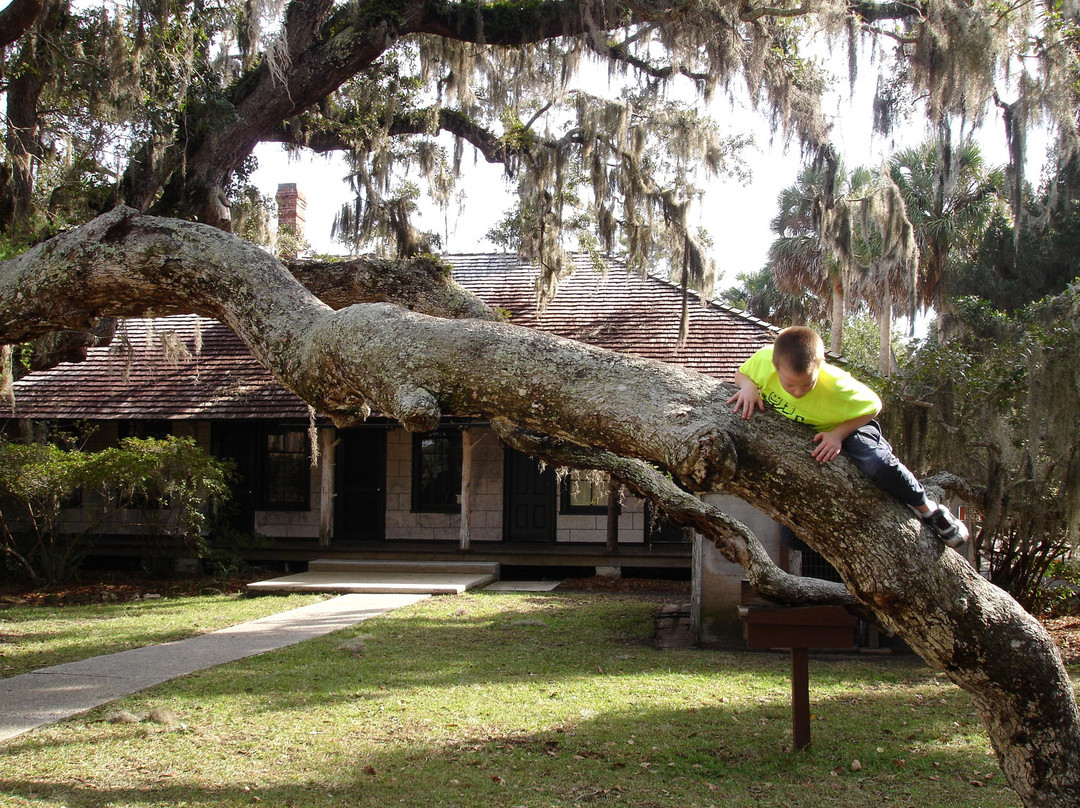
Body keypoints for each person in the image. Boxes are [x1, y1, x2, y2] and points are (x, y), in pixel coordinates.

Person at [726, 325, 968, 548]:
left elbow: (874, 405)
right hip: (808, 433)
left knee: (876, 463)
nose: (798, 392)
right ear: (774, 365)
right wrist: (748, 386)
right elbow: (741, 373)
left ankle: (929, 510)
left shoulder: (838, 384)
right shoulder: (764, 359)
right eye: (790, 385)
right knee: (792, 539)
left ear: (820, 367)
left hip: (851, 426)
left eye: (806, 384)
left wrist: (838, 434)